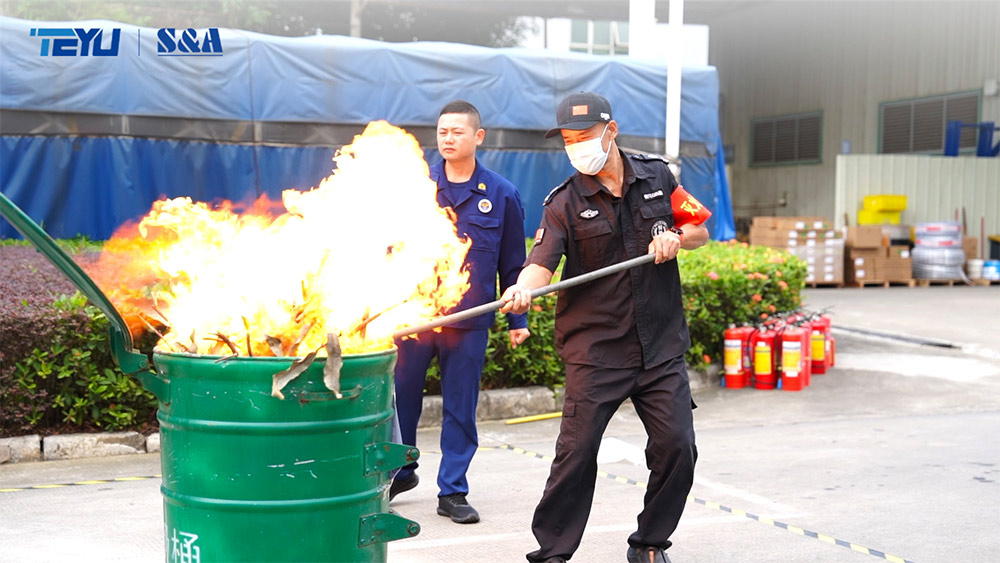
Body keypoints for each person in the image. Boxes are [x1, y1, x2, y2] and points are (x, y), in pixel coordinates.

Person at [500, 92, 711, 563]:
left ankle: (650, 544)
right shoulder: (564, 203)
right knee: (575, 454)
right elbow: (541, 263)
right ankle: (552, 552)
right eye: (569, 141)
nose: (577, 147)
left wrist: (677, 238)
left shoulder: (656, 175)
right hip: (596, 349)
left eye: (585, 137)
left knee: (678, 446)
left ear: (610, 131)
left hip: (659, 346)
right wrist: (522, 288)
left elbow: (699, 228)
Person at [390, 100, 531, 524]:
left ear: (477, 137)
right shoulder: (415, 187)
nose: (447, 138)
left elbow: (513, 264)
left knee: (459, 408)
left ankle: (452, 490)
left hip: (469, 322)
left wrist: (516, 321)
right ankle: (400, 470)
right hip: (414, 319)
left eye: (456, 131)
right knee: (400, 403)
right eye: (442, 131)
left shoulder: (501, 193)